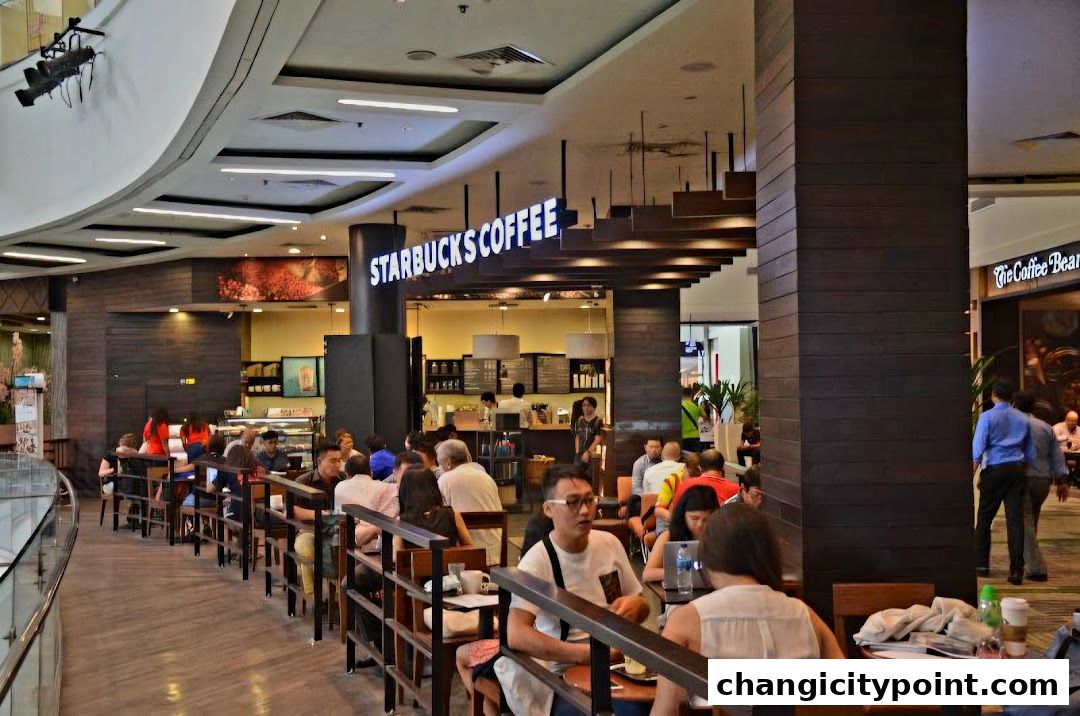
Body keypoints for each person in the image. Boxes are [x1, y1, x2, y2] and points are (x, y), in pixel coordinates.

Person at [481, 463, 649, 716]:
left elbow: (641, 604)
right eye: (572, 502)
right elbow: (516, 634)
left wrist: (638, 606)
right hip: (565, 676)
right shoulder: (538, 560)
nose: (585, 511)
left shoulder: (610, 544)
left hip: (618, 667)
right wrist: (585, 654)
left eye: (590, 501)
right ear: (549, 509)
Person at [653, 503, 844, 713]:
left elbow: (665, 712)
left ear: (707, 555)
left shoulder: (686, 621)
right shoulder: (805, 615)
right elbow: (850, 699)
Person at [973, 380, 1035, 585]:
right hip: (1017, 471)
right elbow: (1030, 451)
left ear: (993, 395)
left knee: (984, 518)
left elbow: (978, 447)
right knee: (1015, 521)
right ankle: (1016, 571)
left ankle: (981, 565)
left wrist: (976, 469)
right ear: (1012, 398)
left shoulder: (987, 417)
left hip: (995, 472)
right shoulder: (1023, 418)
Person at [1014, 392, 1068, 581]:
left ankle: (1037, 568)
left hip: (1023, 479)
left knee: (1025, 522)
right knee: (1031, 520)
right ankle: (1022, 560)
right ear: (1033, 407)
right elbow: (1057, 455)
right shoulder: (1046, 427)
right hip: (1042, 481)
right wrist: (1062, 481)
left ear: (1015, 405)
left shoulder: (1014, 426)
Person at [436, 439, 502, 565]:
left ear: (448, 463)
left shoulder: (445, 480)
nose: (440, 468)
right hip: (495, 552)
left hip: (466, 554)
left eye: (441, 465)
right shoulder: (487, 478)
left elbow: (440, 518)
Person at [292, 442, 344, 596]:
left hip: (336, 529)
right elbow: (292, 509)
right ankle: (313, 596)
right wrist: (318, 515)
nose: (337, 465)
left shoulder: (342, 481)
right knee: (307, 549)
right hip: (308, 529)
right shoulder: (304, 481)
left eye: (339, 460)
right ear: (319, 462)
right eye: (333, 461)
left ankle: (343, 596)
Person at [642, 485, 720, 584]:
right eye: (694, 518)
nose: (700, 525)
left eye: (706, 519)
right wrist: (684, 573)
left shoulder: (720, 536)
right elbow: (647, 574)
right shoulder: (668, 536)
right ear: (683, 516)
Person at [334, 453, 398, 551]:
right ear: (370, 472)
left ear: (347, 474)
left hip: (342, 540)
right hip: (372, 544)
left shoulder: (339, 486)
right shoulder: (384, 488)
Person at [670, 448, 739, 510]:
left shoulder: (687, 484)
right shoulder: (736, 489)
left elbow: (673, 512)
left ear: (700, 468)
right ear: (722, 468)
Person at [654, 452, 700, 532]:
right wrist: (678, 520)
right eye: (691, 476)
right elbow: (658, 511)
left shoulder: (704, 480)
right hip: (671, 521)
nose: (693, 481)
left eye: (697, 477)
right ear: (685, 468)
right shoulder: (672, 479)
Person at [573, 396, 603, 468]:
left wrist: (588, 452)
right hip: (579, 455)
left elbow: (598, 439)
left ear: (594, 407)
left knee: (590, 476)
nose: (586, 408)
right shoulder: (579, 421)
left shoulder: (598, 421)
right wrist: (577, 452)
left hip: (592, 455)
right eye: (584, 405)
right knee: (577, 475)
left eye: (589, 405)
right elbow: (577, 437)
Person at [680, 386, 703, 453]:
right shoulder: (696, 405)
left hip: (683, 436)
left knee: (684, 458)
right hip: (695, 436)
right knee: (696, 459)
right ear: (691, 395)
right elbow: (705, 418)